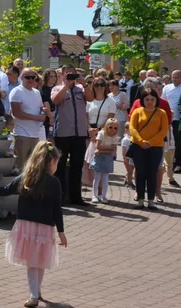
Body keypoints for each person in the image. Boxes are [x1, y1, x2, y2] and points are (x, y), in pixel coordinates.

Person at [0, 142, 66, 308]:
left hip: (26, 226)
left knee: (32, 262)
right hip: (45, 227)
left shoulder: (25, 177)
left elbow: (5, 190)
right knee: (40, 261)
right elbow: (57, 209)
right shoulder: (54, 183)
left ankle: (34, 294)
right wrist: (61, 232)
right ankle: (36, 291)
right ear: (51, 162)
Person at [50, 65, 94, 205]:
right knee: (60, 167)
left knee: (77, 167)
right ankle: (60, 197)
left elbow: (91, 98)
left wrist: (85, 84)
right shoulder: (57, 88)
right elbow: (56, 100)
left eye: (72, 74)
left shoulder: (81, 89)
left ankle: (76, 198)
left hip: (79, 133)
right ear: (62, 75)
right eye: (67, 74)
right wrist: (66, 86)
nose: (70, 76)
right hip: (63, 133)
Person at [129, 89, 168, 209]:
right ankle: (140, 199)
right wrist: (141, 141)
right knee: (140, 173)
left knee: (152, 173)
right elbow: (132, 128)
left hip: (155, 147)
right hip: (138, 146)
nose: (150, 102)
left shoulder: (161, 113)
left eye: (152, 99)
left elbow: (163, 131)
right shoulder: (137, 111)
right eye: (147, 99)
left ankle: (151, 200)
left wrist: (150, 142)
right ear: (142, 100)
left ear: (156, 100)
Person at [9, 69, 47, 172]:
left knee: (33, 169)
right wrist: (36, 117)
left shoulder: (37, 93)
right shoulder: (17, 91)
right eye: (27, 77)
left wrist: (43, 113)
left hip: (35, 135)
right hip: (21, 134)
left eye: (33, 77)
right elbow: (16, 113)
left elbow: (39, 109)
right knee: (20, 168)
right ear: (21, 78)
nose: (31, 79)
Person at [161, 70, 181, 179]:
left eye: (177, 77)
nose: (175, 79)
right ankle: (169, 161)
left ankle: (177, 162)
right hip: (168, 119)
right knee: (168, 141)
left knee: (179, 141)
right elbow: (163, 101)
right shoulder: (167, 88)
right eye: (173, 77)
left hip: (180, 119)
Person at [90, 118, 121, 203]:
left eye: (115, 128)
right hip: (99, 158)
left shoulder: (115, 137)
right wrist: (108, 148)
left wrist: (100, 151)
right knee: (97, 177)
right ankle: (94, 195)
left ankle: (103, 196)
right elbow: (98, 146)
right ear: (106, 126)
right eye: (111, 127)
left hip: (107, 158)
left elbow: (112, 150)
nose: (113, 129)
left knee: (105, 178)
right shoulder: (101, 133)